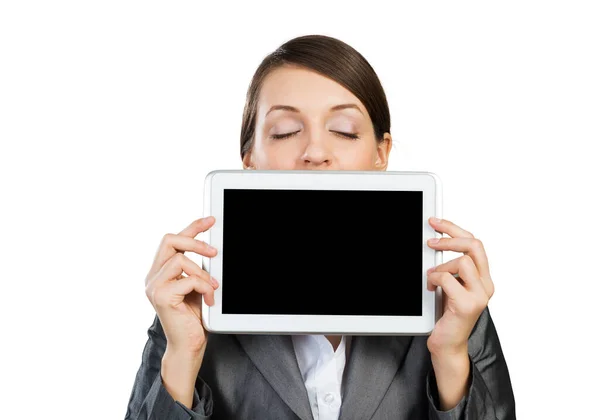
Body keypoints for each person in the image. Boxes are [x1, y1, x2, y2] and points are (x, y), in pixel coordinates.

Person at [124, 34, 516, 420]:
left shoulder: (451, 303)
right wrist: (183, 357)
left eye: (344, 131)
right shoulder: (192, 307)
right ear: (249, 160)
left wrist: (449, 359)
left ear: (381, 154)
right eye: (285, 132)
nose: (315, 153)